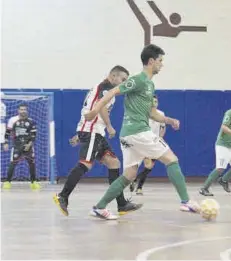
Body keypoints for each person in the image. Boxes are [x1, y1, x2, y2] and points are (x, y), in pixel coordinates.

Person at [85, 44, 200, 220]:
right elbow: (111, 93)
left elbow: (151, 113)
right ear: (151, 61)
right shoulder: (138, 79)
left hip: (130, 135)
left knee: (129, 174)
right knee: (172, 159)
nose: (162, 65)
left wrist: (169, 120)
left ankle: (99, 207)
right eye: (160, 61)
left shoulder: (149, 85)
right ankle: (186, 201)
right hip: (138, 132)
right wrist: (94, 111)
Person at [53, 65, 142, 216]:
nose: (123, 83)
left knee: (114, 163)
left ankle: (121, 204)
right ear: (113, 76)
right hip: (92, 130)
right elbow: (100, 107)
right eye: (123, 79)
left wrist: (79, 134)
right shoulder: (106, 88)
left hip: (92, 131)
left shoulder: (104, 88)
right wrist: (109, 126)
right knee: (85, 164)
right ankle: (63, 196)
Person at [199, 95, 231, 196]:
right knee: (220, 168)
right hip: (222, 145)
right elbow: (224, 127)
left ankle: (224, 180)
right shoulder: (230, 113)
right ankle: (204, 188)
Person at [129, 94, 166, 195]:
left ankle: (136, 182)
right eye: (152, 102)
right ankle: (139, 187)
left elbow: (162, 127)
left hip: (155, 143)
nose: (154, 104)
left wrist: (160, 138)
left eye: (156, 102)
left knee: (149, 167)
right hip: (145, 143)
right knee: (148, 165)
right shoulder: (143, 114)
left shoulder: (161, 114)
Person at [2, 104, 40, 189]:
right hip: (17, 146)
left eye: (24, 109)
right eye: (21, 109)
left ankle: (33, 182)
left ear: (27, 111)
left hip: (28, 146)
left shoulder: (31, 121)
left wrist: (29, 144)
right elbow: (7, 132)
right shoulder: (12, 120)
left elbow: (33, 135)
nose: (23, 111)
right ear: (18, 110)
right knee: (12, 163)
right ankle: (7, 182)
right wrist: (6, 143)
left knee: (32, 164)